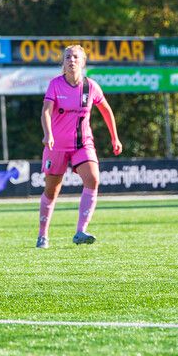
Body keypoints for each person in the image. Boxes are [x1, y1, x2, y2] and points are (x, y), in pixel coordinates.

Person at [37, 44, 122, 248]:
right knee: (51, 191)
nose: (71, 60)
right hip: (56, 145)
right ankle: (43, 235)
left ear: (83, 62)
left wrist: (115, 138)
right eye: (67, 57)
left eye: (75, 57)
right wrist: (48, 134)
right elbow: (46, 112)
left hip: (83, 143)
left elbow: (106, 111)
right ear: (63, 63)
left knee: (93, 179)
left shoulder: (91, 86)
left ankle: (81, 230)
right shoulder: (55, 85)